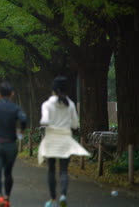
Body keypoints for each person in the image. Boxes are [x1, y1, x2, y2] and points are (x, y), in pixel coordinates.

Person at [38, 76, 89, 207]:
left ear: (53, 89)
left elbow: (44, 121)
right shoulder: (71, 104)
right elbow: (75, 125)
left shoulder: (47, 104)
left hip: (52, 139)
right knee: (64, 170)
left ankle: (53, 199)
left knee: (51, 169)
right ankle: (63, 195)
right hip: (66, 140)